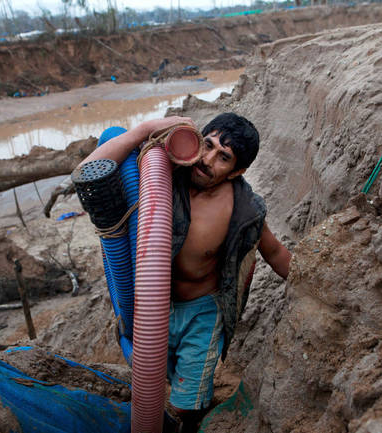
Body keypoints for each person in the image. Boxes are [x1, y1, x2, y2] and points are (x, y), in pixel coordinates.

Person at [78, 113, 291, 431]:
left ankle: (191, 422)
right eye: (207, 144)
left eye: (223, 157)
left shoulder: (242, 211)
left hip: (202, 315)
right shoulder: (164, 173)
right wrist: (145, 131)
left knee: (184, 405)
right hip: (154, 308)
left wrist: (313, 281)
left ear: (238, 171)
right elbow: (86, 173)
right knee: (154, 375)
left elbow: (274, 251)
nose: (207, 160)